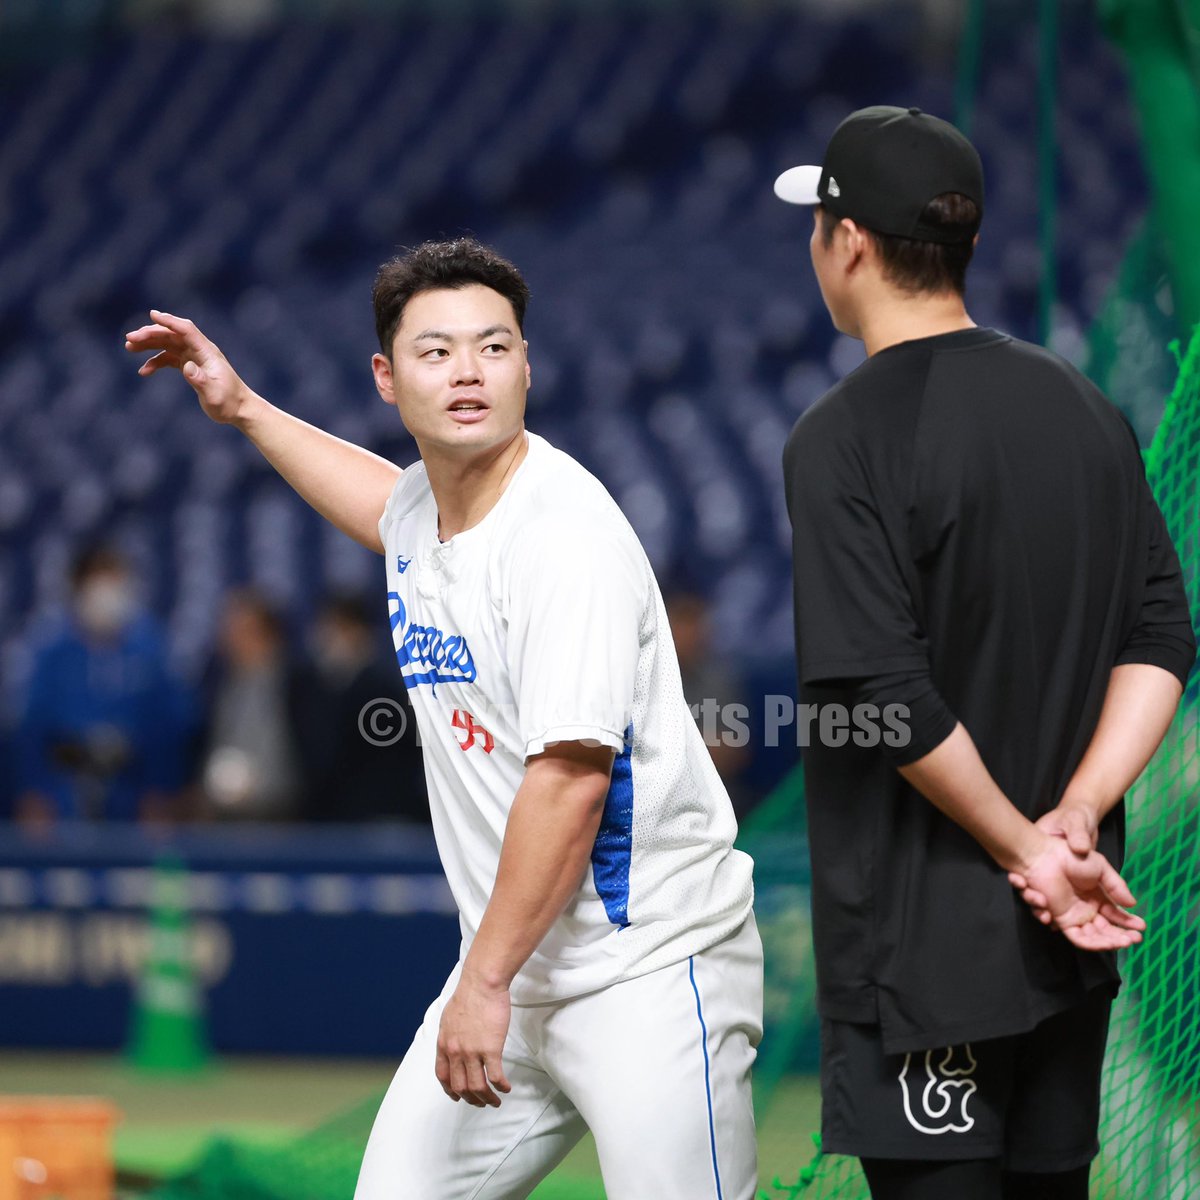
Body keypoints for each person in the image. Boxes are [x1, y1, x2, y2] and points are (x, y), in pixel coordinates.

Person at [125, 237, 760, 1199]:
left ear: (527, 365)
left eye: (494, 347)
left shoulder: (565, 543)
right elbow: (388, 508)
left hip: (647, 971)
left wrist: (485, 984)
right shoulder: (432, 504)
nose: (468, 370)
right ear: (386, 377)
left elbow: (573, 781)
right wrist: (245, 410)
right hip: (515, 962)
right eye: (436, 351)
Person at [773, 106, 1195, 1200]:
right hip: (1072, 934)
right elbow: (1162, 637)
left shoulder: (843, 434)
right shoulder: (1086, 407)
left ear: (850, 241)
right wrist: (1076, 819)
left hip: (930, 951)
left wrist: (1031, 853)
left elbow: (884, 695)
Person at [14, 545, 192, 826]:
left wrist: (160, 791)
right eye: (99, 583)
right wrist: (36, 793)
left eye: (116, 583)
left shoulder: (150, 648)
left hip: (130, 790)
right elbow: (33, 725)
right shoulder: (53, 650)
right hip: (66, 788)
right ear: (79, 589)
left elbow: (167, 724)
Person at [295, 591, 428, 824]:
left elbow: (395, 757)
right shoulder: (316, 686)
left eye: (336, 628)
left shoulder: (383, 688)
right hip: (337, 815)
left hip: (381, 815)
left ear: (357, 631)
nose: (325, 637)